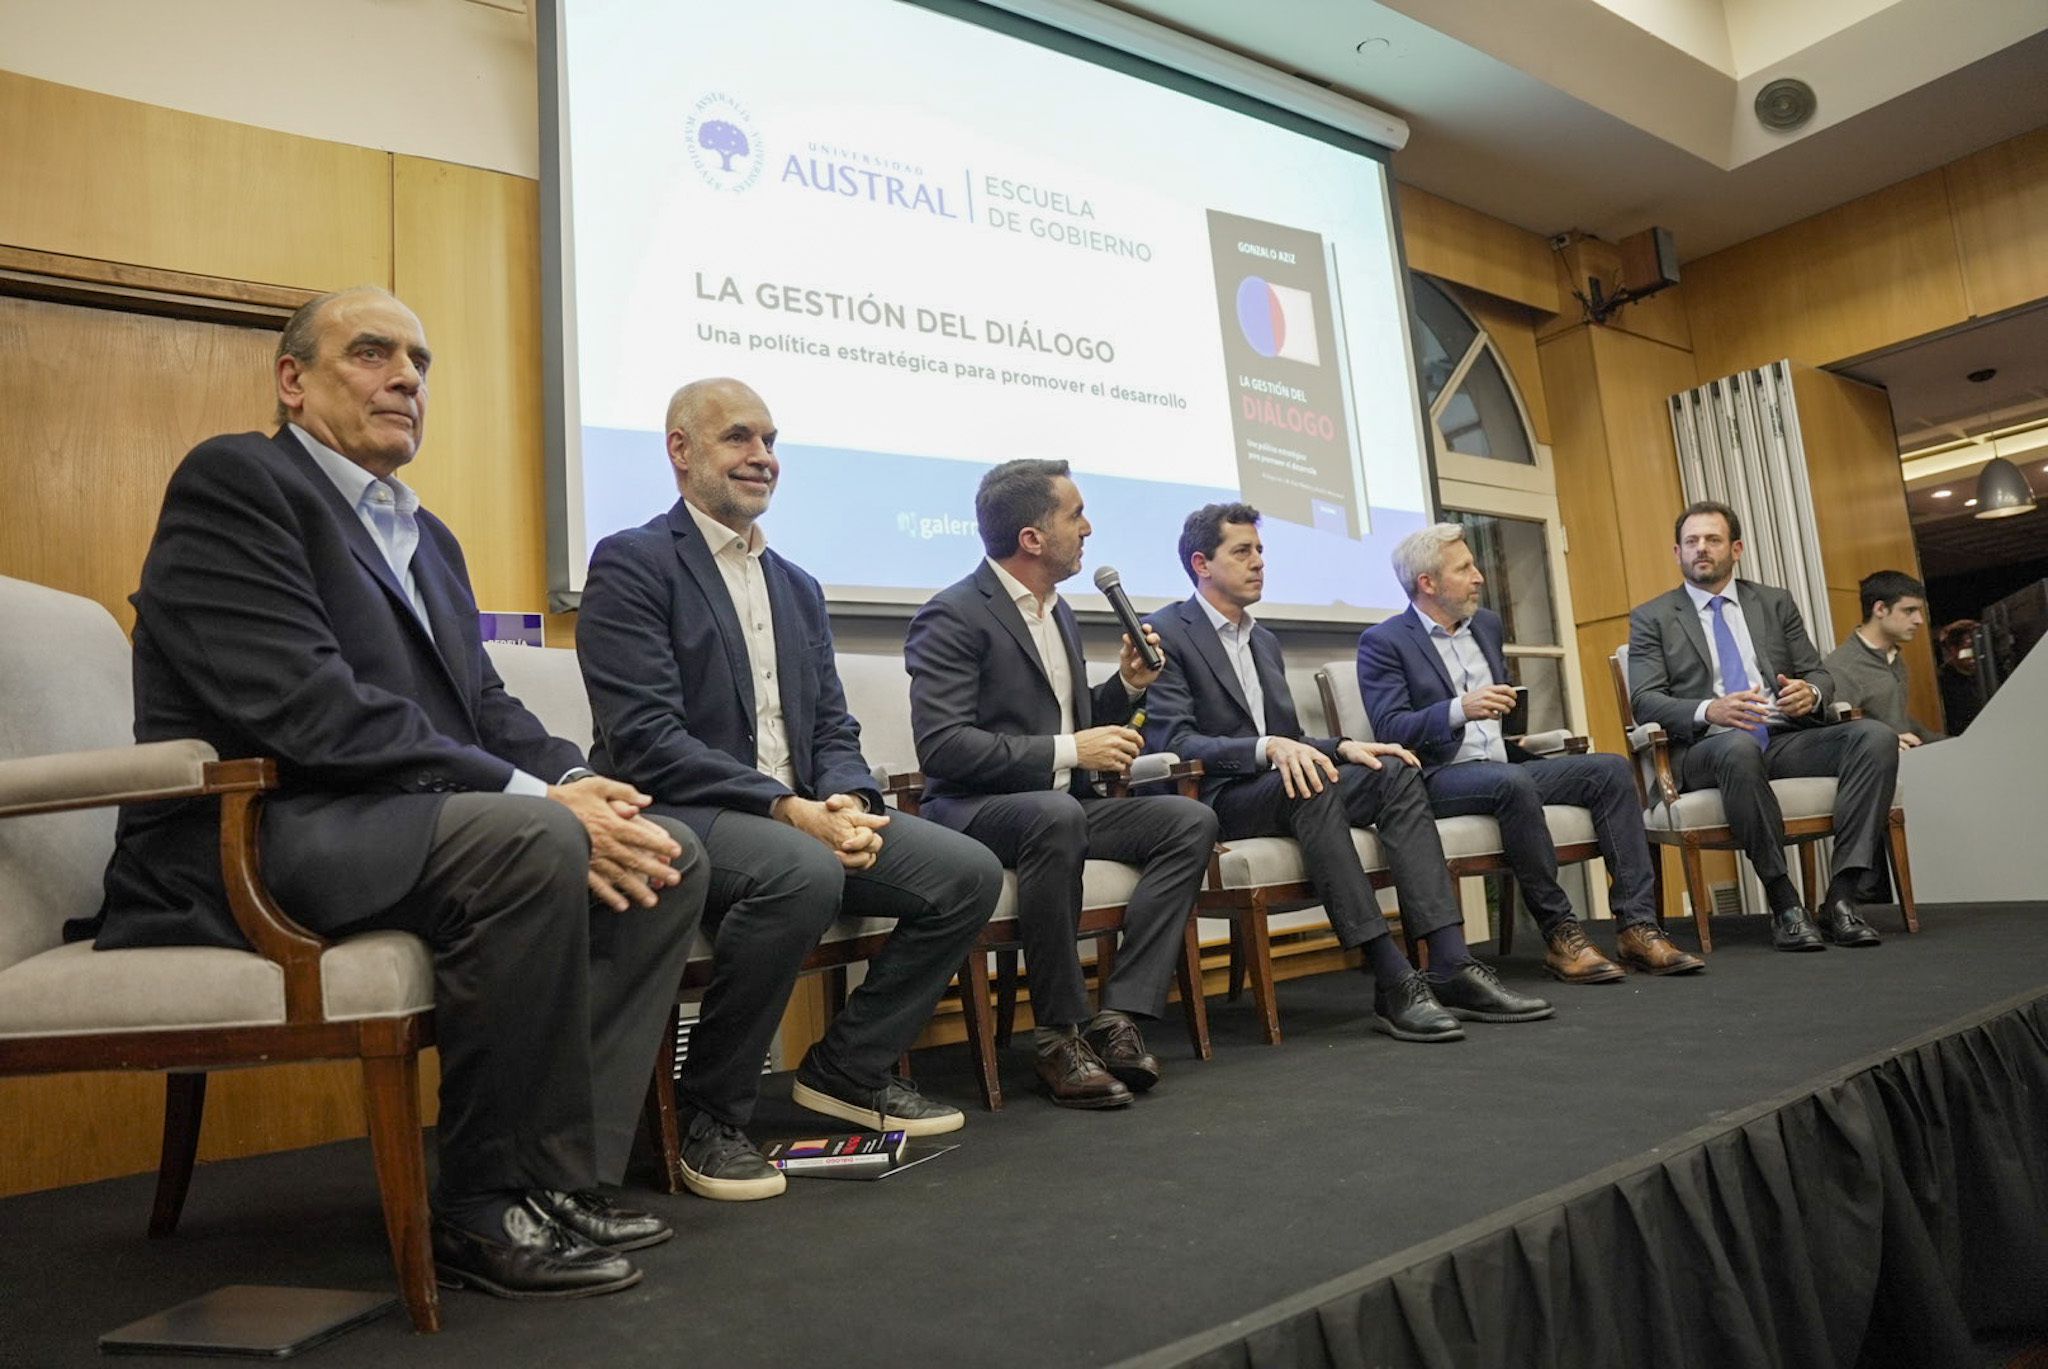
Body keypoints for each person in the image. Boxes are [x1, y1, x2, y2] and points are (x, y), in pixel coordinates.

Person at [93, 286, 708, 1301]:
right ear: (292, 380)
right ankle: (480, 1204)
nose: (406, 377)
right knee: (527, 843)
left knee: (661, 848)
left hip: (387, 818)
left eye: (419, 361)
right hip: (258, 830)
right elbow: (310, 710)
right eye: (371, 353)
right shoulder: (238, 482)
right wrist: (536, 803)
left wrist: (577, 778)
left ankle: (565, 1178)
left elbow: (483, 704)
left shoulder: (429, 536)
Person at [577, 378, 1000, 1199]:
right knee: (799, 869)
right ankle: (710, 1114)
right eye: (739, 437)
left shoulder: (797, 585)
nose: (762, 456)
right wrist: (785, 807)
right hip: (686, 808)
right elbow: (645, 740)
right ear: (681, 450)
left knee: (966, 872)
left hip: (799, 810)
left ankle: (848, 1065)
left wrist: (848, 800)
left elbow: (832, 726)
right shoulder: (634, 562)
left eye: (771, 440)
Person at [1144, 504, 1553, 1043]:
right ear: (1201, 563)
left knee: (1394, 769)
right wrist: (1270, 749)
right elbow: (1172, 743)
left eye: (1261, 550)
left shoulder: (1262, 640)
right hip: (1220, 796)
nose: (1259, 563)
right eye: (1243, 552)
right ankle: (1391, 976)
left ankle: (1451, 963)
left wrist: (1344, 745)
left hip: (1281, 781)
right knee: (1311, 785)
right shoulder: (1167, 632)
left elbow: (1290, 737)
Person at [904, 460, 1218, 1108]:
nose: (1089, 527)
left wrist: (1126, 687)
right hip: (971, 811)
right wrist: (1072, 747)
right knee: (1055, 813)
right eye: (1076, 514)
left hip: (1061, 805)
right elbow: (943, 745)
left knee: (1189, 821)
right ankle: (1056, 1037)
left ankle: (1120, 1013)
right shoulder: (954, 614)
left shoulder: (1062, 613)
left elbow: (1072, 726)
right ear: (1032, 537)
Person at [1360, 524, 1702, 982]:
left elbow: (1501, 713)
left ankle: (1637, 926)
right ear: (1428, 583)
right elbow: (1390, 729)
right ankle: (1561, 934)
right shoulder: (1384, 642)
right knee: (1512, 783)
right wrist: (1459, 709)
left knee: (1610, 771)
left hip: (1502, 765)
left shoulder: (1486, 625)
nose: (1479, 576)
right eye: (1465, 568)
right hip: (1437, 777)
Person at [1627, 500, 1898, 951]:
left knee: (1875, 737)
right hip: (1707, 750)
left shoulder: (1773, 603)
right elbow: (1644, 700)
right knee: (1737, 747)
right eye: (1691, 542)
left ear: (1736, 548)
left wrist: (1809, 694)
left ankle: (1843, 897)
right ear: (1677, 552)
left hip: (1782, 739)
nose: (1701, 549)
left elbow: (1818, 673)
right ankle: (1785, 901)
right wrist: (1708, 710)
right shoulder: (1653, 616)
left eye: (1712, 540)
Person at [1823, 570, 1945, 748]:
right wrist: (1886, 742)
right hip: (1875, 768)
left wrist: (1952, 743)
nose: (1919, 620)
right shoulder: (1843, 667)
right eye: (1909, 610)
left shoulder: (1894, 658)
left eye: (1918, 611)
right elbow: (1835, 736)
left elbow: (1897, 722)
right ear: (1880, 609)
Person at [1935, 618, 1985, 734]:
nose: (1974, 655)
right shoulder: (1941, 682)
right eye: (1968, 648)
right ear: (1953, 650)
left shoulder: (1991, 671)